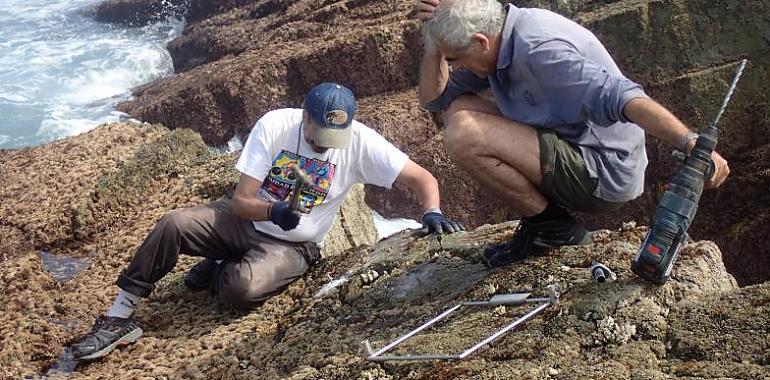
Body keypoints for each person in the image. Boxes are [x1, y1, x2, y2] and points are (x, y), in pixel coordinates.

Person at [71, 82, 464, 360]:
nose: (326, 143)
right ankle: (119, 316)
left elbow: (422, 177)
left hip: (293, 245)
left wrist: (432, 211)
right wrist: (275, 210)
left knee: (238, 291)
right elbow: (242, 201)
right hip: (244, 219)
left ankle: (223, 264)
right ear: (304, 118)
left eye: (335, 135)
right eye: (320, 133)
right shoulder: (276, 124)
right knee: (172, 224)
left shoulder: (360, 141)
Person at [413, 0, 729, 267]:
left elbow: (625, 97)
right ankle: (545, 224)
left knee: (463, 134)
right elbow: (434, 98)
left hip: (604, 170)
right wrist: (434, 44)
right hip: (567, 142)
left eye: (455, 60)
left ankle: (554, 229)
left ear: (481, 41)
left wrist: (689, 142)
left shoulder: (541, 51)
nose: (454, 68)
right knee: (458, 108)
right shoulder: (500, 37)